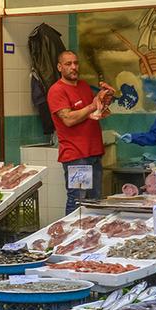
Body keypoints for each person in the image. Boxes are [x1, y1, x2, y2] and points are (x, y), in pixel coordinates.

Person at [47, 50, 115, 214]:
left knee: (94, 202)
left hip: (94, 153)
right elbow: (69, 119)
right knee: (78, 201)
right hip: (77, 156)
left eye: (76, 63)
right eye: (68, 64)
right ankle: (71, 238)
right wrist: (93, 105)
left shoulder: (84, 86)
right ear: (59, 67)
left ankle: (90, 237)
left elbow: (92, 114)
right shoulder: (57, 90)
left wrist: (104, 100)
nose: (73, 67)